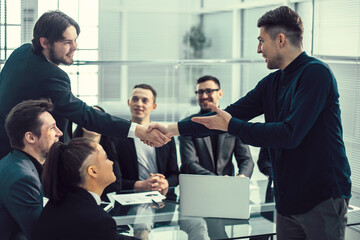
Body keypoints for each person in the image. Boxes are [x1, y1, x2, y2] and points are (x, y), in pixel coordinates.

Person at [149, 6, 351, 240]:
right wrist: (171, 129)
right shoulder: (271, 83)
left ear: (281, 40)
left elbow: (289, 134)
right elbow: (226, 115)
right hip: (288, 200)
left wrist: (232, 125)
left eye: (261, 41)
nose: (258, 49)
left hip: (322, 197)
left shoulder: (316, 74)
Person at [0, 10, 169, 159]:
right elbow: (86, 115)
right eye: (67, 42)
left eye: (75, 40)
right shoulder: (53, 77)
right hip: (30, 157)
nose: (75, 47)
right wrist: (138, 131)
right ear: (44, 42)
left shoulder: (21, 52)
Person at [32, 137, 137, 240]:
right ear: (93, 171)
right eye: (106, 158)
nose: (111, 163)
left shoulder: (61, 203)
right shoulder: (97, 221)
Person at [0, 99, 62, 240]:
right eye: (52, 128)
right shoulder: (22, 178)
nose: (59, 133)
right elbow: (41, 234)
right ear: (31, 137)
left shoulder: (17, 163)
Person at [179, 75, 254, 177]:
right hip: (198, 185)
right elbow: (189, 163)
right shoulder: (188, 124)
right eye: (200, 92)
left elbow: (246, 159)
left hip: (227, 186)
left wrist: (242, 176)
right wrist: (217, 180)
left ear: (220, 93)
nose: (204, 96)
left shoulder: (232, 122)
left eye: (209, 91)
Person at [117, 84, 179, 192]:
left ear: (154, 106)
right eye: (135, 99)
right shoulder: (117, 136)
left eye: (145, 100)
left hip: (161, 197)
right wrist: (140, 185)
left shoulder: (165, 135)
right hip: (128, 197)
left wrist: (165, 182)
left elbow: (174, 174)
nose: (139, 104)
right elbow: (112, 180)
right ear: (129, 102)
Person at [73, 105, 122, 200]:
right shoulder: (69, 148)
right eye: (91, 119)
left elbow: (116, 185)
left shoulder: (111, 149)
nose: (94, 123)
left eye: (99, 120)